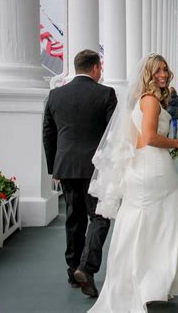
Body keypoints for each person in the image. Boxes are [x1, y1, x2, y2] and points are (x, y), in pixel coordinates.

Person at [87, 53, 178, 312]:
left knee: (137, 227)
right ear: (148, 73)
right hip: (154, 169)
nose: (164, 74)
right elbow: (150, 138)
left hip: (140, 169)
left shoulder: (139, 101)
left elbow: (134, 141)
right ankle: (150, 282)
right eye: (158, 70)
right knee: (164, 225)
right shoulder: (151, 101)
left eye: (166, 69)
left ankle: (135, 283)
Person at [42, 49, 117, 297]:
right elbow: (112, 135)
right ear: (95, 68)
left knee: (74, 218)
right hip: (96, 167)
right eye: (100, 68)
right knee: (100, 216)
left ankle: (73, 272)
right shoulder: (106, 94)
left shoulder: (55, 95)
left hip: (66, 166)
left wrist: (54, 168)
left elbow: (48, 134)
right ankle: (87, 268)